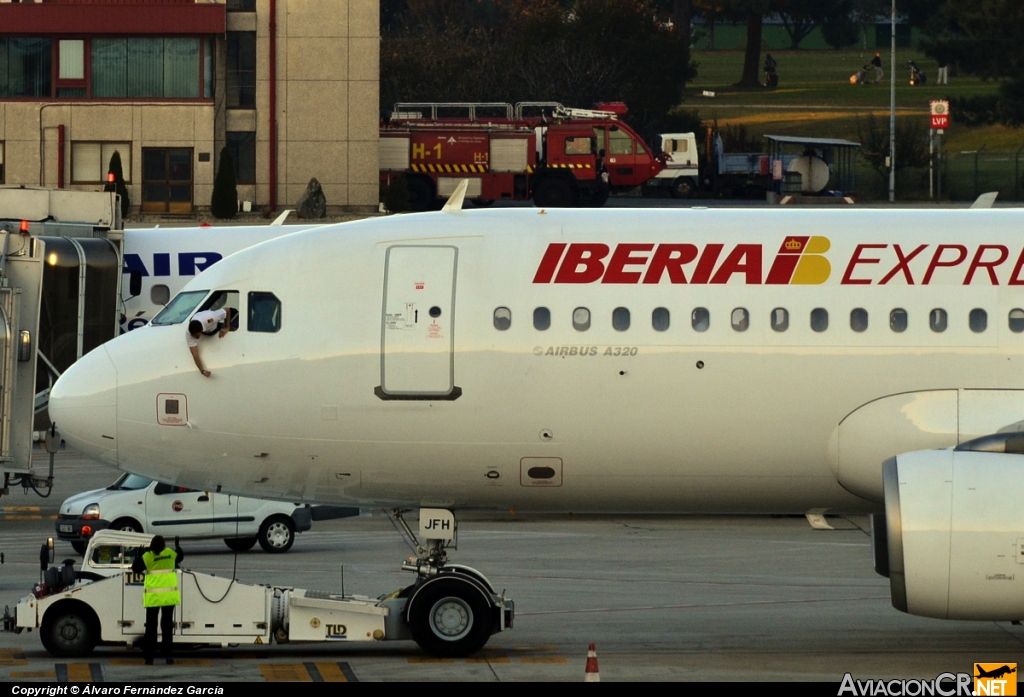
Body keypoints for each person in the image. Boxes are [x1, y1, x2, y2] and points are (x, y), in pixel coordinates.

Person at [132, 535, 184, 665]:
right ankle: (168, 656)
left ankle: (149, 657)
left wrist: (139, 555)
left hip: (153, 597)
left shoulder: (148, 556)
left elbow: (135, 568)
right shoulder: (170, 554)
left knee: (151, 628)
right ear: (164, 545)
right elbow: (180, 556)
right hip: (168, 597)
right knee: (166, 627)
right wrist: (177, 545)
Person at [186, 307, 234, 377]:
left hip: (215, 326)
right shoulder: (189, 333)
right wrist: (202, 370)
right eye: (194, 336)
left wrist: (227, 327)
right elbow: (194, 353)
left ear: (201, 330)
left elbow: (227, 310)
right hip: (206, 329)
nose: (196, 338)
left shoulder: (211, 318)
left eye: (197, 336)